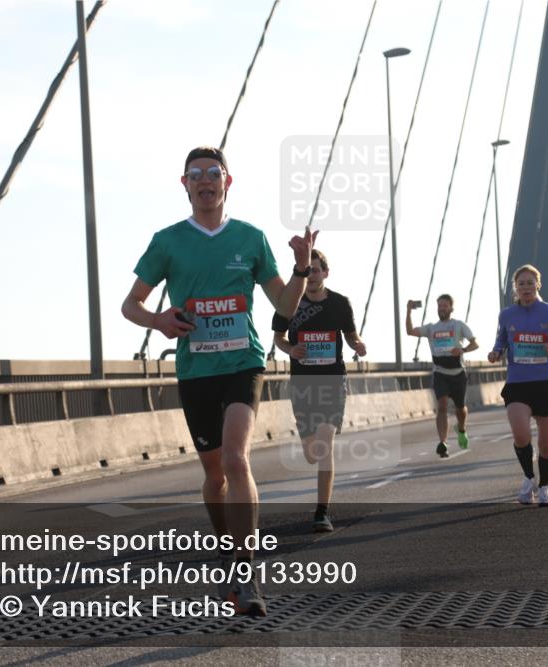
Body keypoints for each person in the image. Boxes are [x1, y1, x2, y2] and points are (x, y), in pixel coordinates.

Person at [121, 146, 316, 616]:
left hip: (243, 364)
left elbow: (283, 306)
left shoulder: (250, 238)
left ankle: (246, 573)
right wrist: (160, 321)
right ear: (184, 184)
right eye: (196, 175)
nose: (205, 181)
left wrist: (302, 268)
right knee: (214, 475)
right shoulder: (167, 241)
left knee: (236, 458)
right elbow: (130, 305)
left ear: (228, 182)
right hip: (195, 371)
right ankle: (228, 550)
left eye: (214, 174)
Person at [272, 249, 366, 533]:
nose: (311, 275)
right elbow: (279, 339)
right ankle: (310, 455)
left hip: (333, 381)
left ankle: (322, 512)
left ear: (326, 273)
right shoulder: (290, 303)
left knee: (325, 445)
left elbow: (351, 335)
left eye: (316, 270)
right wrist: (291, 348)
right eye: (307, 270)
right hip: (302, 384)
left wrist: (357, 345)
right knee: (312, 453)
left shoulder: (339, 303)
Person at [487, 265, 548, 507]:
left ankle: (544, 487)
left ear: (538, 284)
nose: (525, 287)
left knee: (546, 444)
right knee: (521, 435)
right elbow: (501, 340)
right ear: (515, 288)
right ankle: (528, 478)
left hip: (546, 382)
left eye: (530, 282)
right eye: (521, 283)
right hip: (518, 384)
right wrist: (496, 352)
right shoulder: (506, 315)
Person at [406, 295, 478, 458]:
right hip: (440, 372)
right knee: (443, 405)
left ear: (451, 308)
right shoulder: (432, 328)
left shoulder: (458, 325)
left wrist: (463, 350)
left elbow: (475, 343)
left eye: (445, 306)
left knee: (460, 409)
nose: (442, 309)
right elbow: (410, 332)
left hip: (458, 373)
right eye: (439, 306)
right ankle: (443, 442)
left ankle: (461, 428)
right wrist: (408, 312)